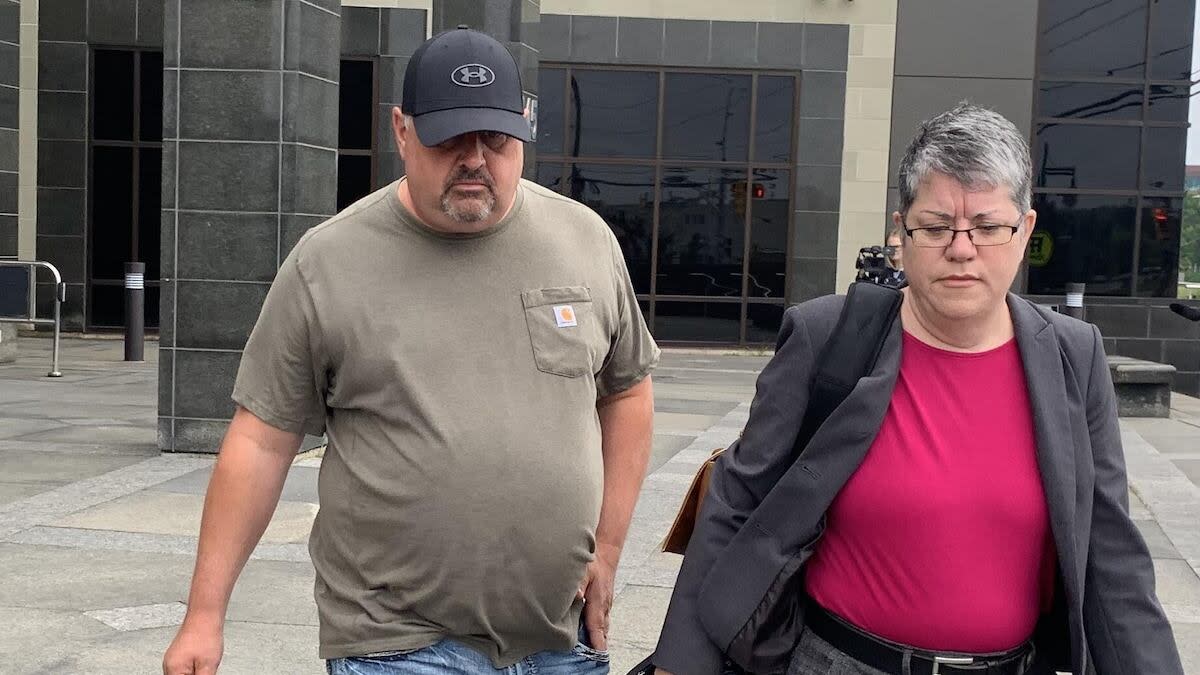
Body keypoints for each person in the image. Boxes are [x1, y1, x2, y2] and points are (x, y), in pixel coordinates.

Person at [163, 26, 660, 675]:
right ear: (402, 130)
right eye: (450, 136)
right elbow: (261, 440)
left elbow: (626, 390)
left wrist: (611, 548)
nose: (476, 158)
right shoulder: (330, 263)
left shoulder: (583, 240)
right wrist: (204, 615)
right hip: (396, 643)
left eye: (496, 138)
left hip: (560, 637)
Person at [651, 103, 1182, 675]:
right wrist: (678, 665)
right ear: (900, 232)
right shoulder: (827, 339)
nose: (961, 248)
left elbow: (1112, 559)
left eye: (987, 226)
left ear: (1025, 230)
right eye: (934, 227)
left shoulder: (1073, 356)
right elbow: (736, 504)